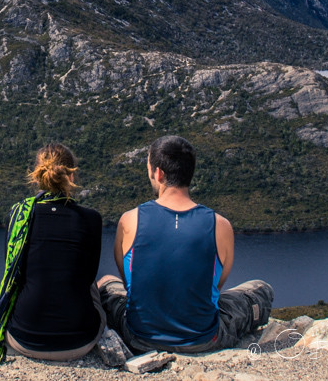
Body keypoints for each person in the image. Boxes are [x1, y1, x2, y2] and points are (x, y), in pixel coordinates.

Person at [97, 135, 273, 353]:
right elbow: (216, 287)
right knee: (261, 289)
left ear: (158, 173)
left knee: (106, 282)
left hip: (138, 337)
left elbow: (128, 283)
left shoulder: (130, 220)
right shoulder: (221, 225)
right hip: (204, 339)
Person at [0, 143, 105, 363]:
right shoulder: (91, 219)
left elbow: (13, 271)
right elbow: (89, 274)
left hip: (23, 338)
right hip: (80, 341)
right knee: (93, 284)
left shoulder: (18, 215)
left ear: (36, 176)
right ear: (72, 176)